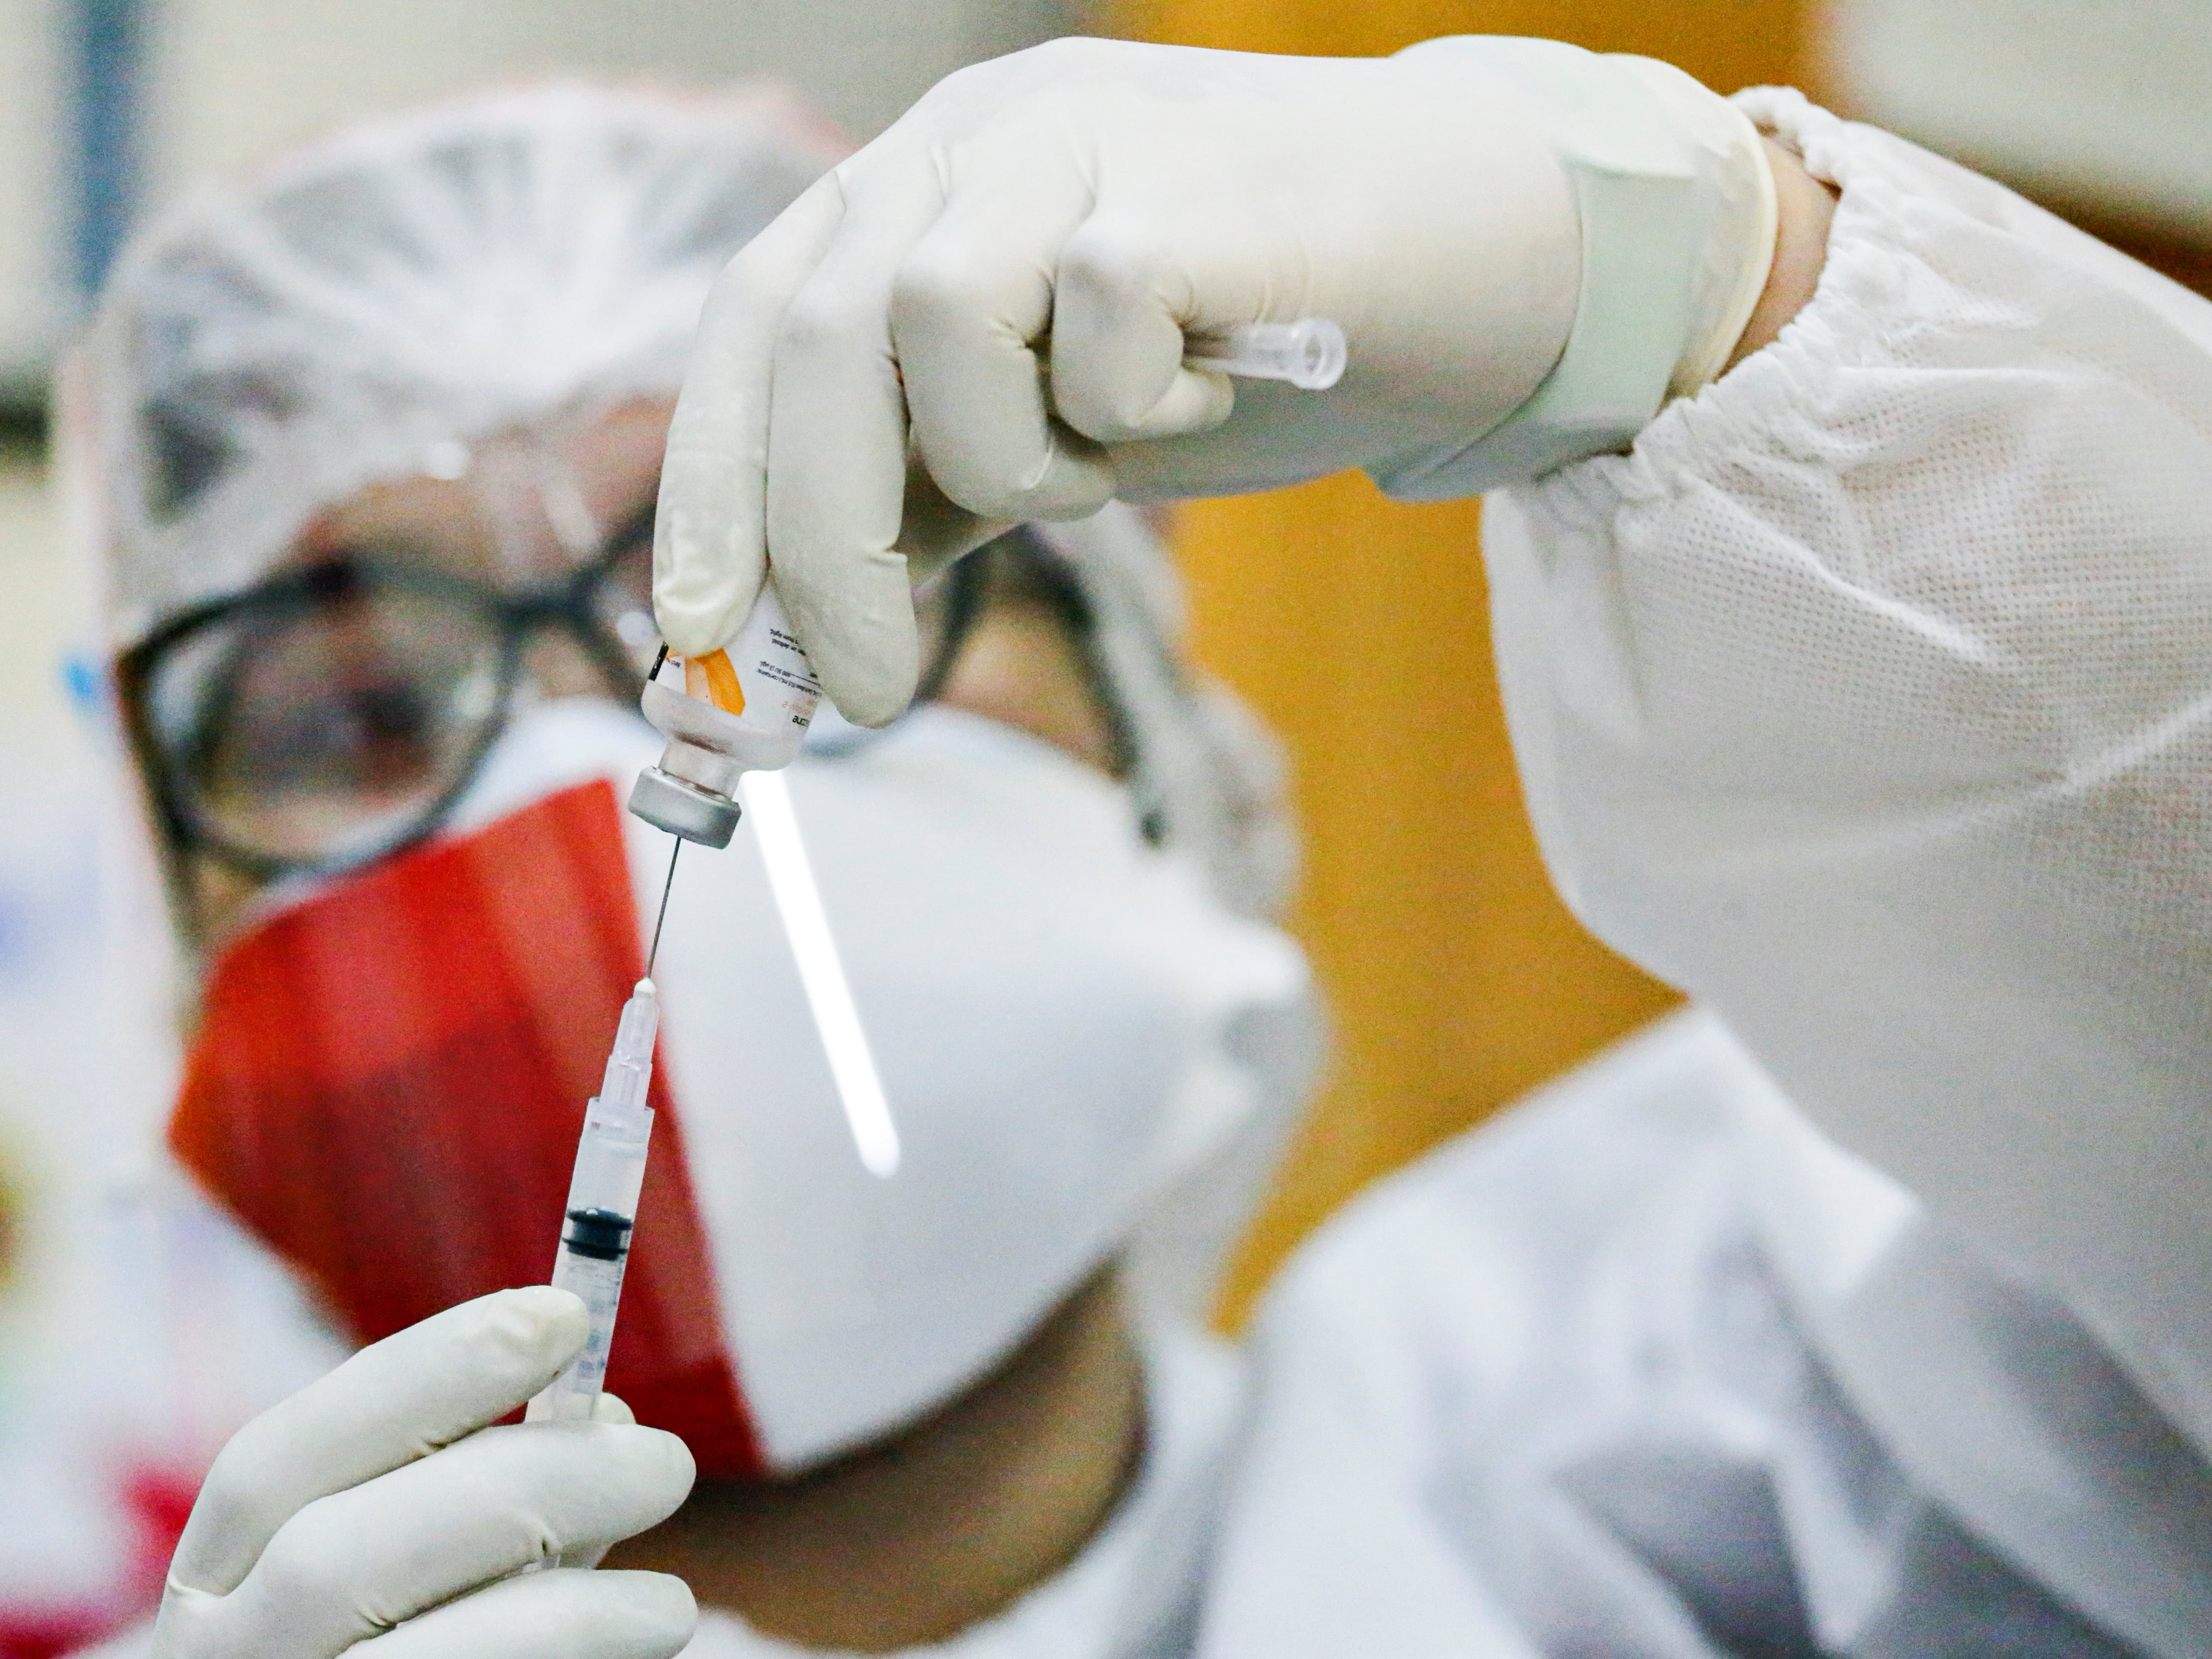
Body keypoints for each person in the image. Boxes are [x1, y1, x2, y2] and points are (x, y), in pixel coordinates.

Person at [634, 33, 2209, 1659]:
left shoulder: (1718, 1411)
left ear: (1161, 745)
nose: (621, 740)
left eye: (801, 569)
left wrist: (1717, 296)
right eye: (379, 697)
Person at [62, 81, 1320, 1659]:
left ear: (1148, 730)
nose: (596, 783)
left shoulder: (1638, 1504)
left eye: (776, 607)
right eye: (366, 709)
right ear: (180, 951)